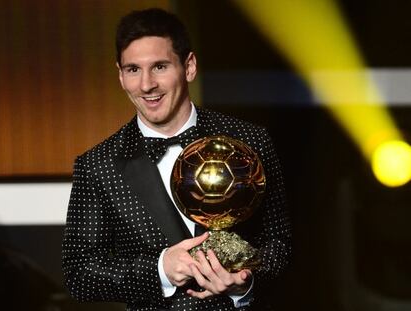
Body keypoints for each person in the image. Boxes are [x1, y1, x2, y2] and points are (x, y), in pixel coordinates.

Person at [62, 8, 291, 311]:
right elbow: (79, 274)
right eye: (133, 70)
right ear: (120, 74)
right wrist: (160, 270)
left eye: (159, 67)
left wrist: (245, 284)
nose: (146, 85)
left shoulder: (249, 141)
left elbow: (280, 245)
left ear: (189, 66)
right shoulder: (97, 165)